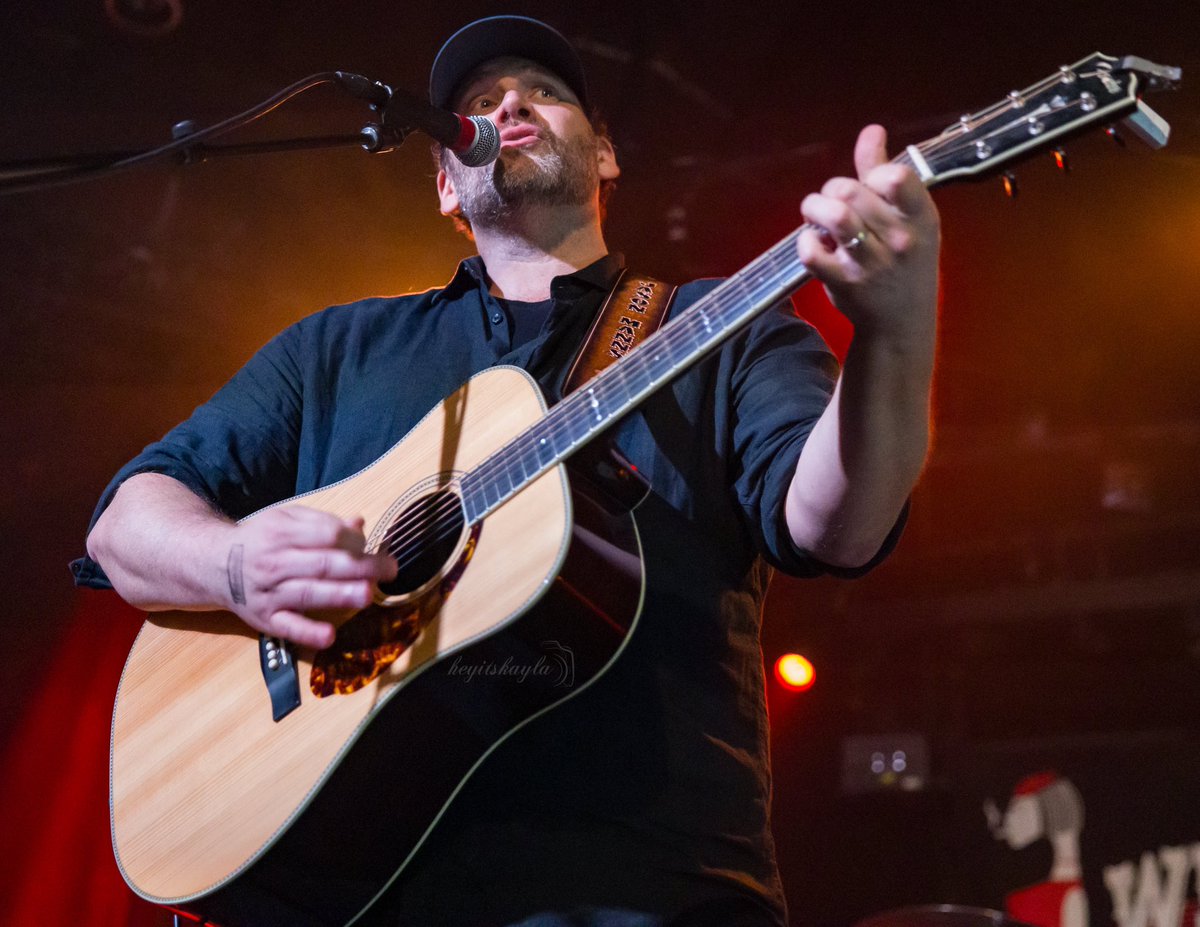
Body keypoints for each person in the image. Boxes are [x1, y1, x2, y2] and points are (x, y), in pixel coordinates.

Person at [76, 15, 940, 927]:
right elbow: (125, 523)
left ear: (604, 156)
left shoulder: (724, 330)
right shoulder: (337, 348)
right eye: (480, 102)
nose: (511, 103)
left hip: (642, 890)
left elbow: (838, 525)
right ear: (447, 180)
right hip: (348, 900)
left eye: (544, 91)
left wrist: (894, 328)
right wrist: (236, 565)